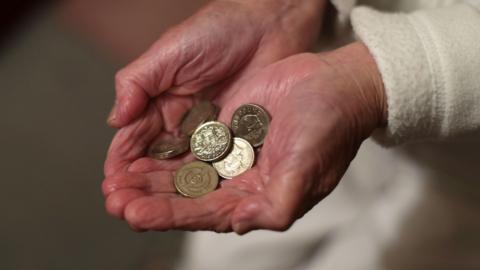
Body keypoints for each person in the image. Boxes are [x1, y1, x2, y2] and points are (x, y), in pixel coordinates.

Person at [102, 0, 480, 269]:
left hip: (467, 178)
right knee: (224, 258)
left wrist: (371, 81)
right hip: (326, 67)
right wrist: (284, 6)